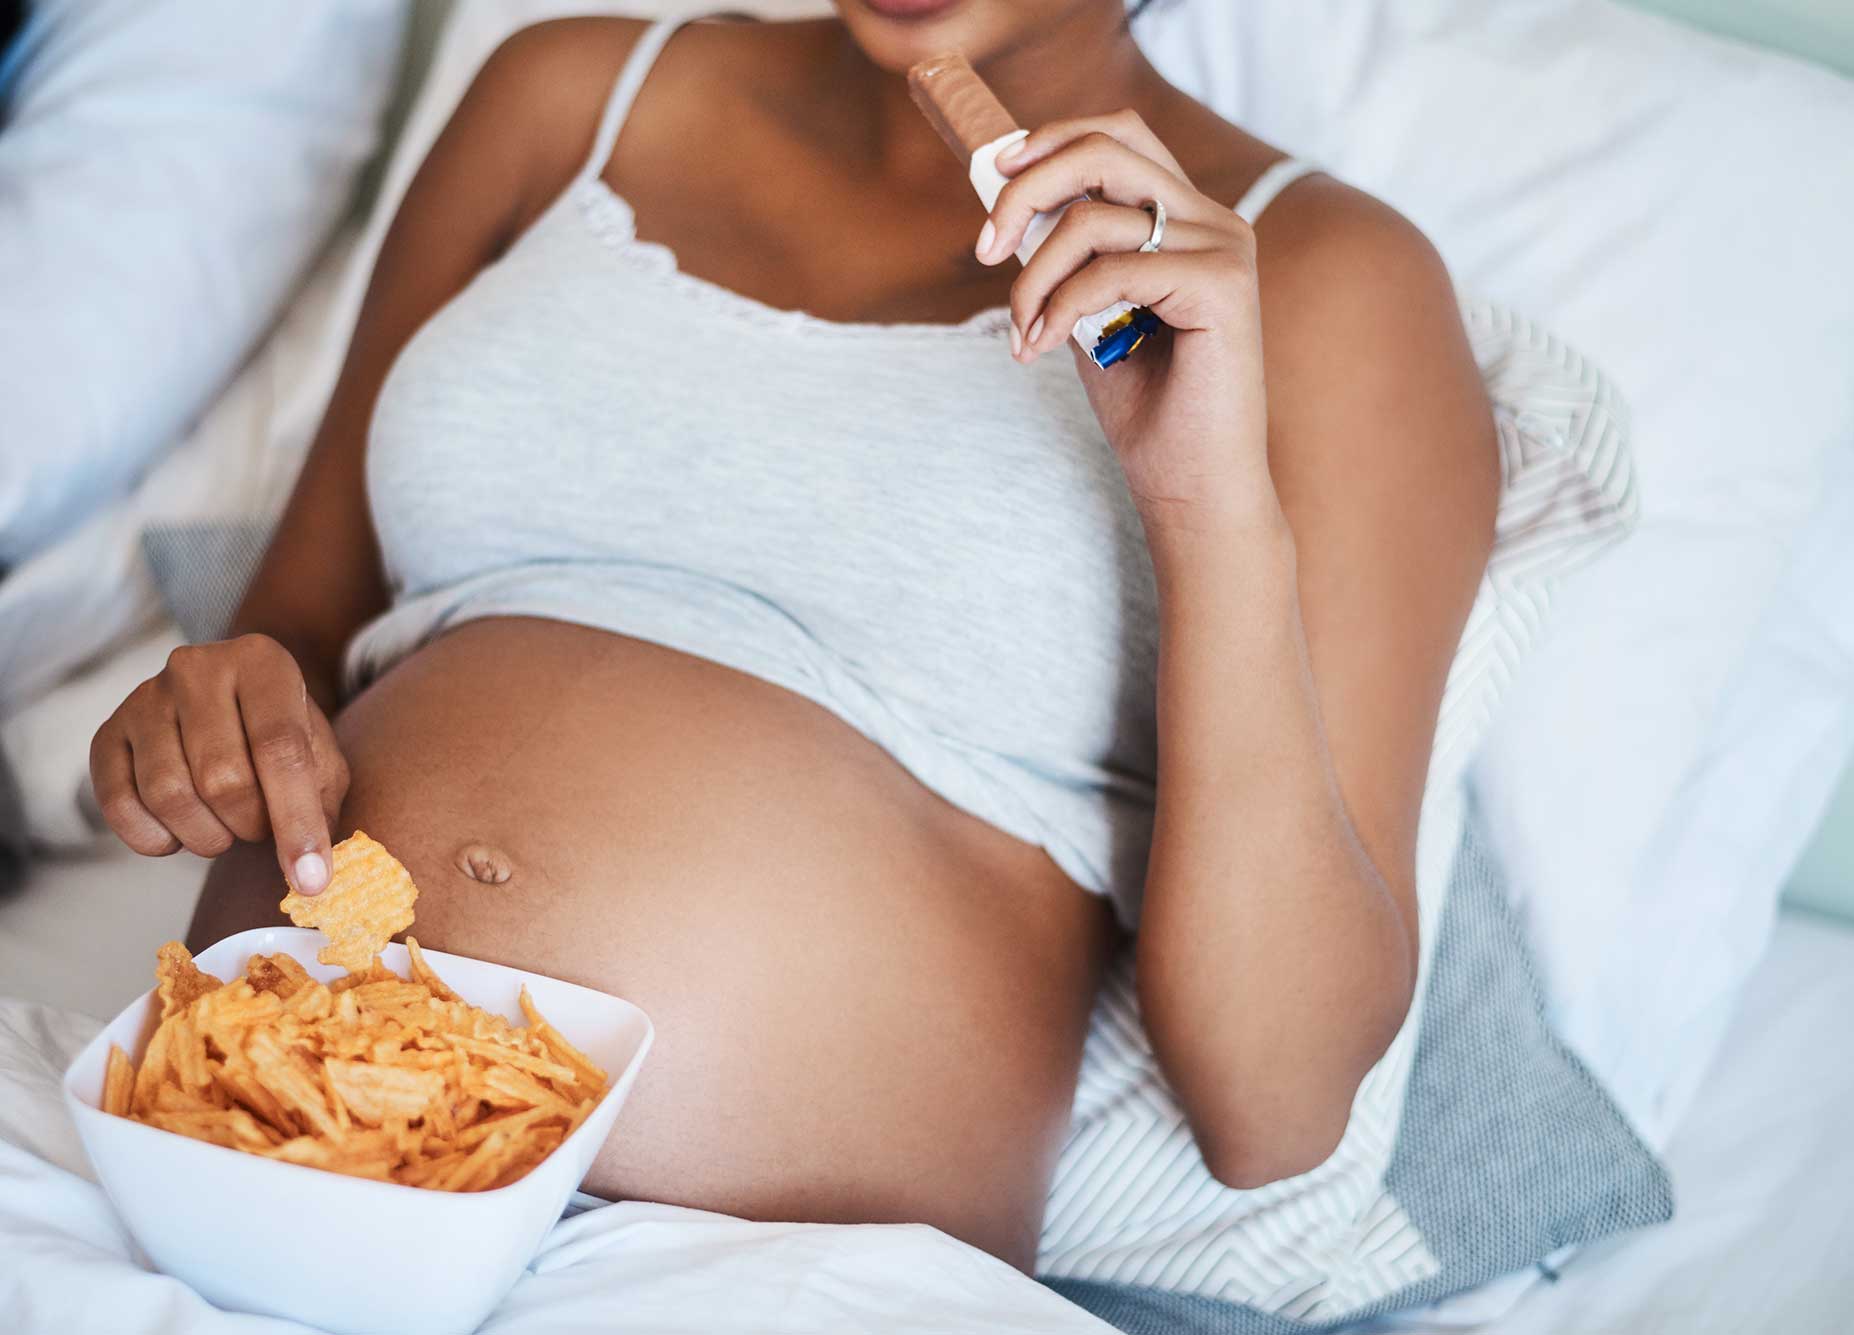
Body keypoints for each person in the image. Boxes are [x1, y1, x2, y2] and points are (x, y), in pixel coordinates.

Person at [87, 0, 1498, 1270]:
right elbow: (293, 635)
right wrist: (209, 705)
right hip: (224, 1161)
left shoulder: (1325, 282)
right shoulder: (567, 90)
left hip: (749, 1270)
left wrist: (1202, 499)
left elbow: (1278, 1107)